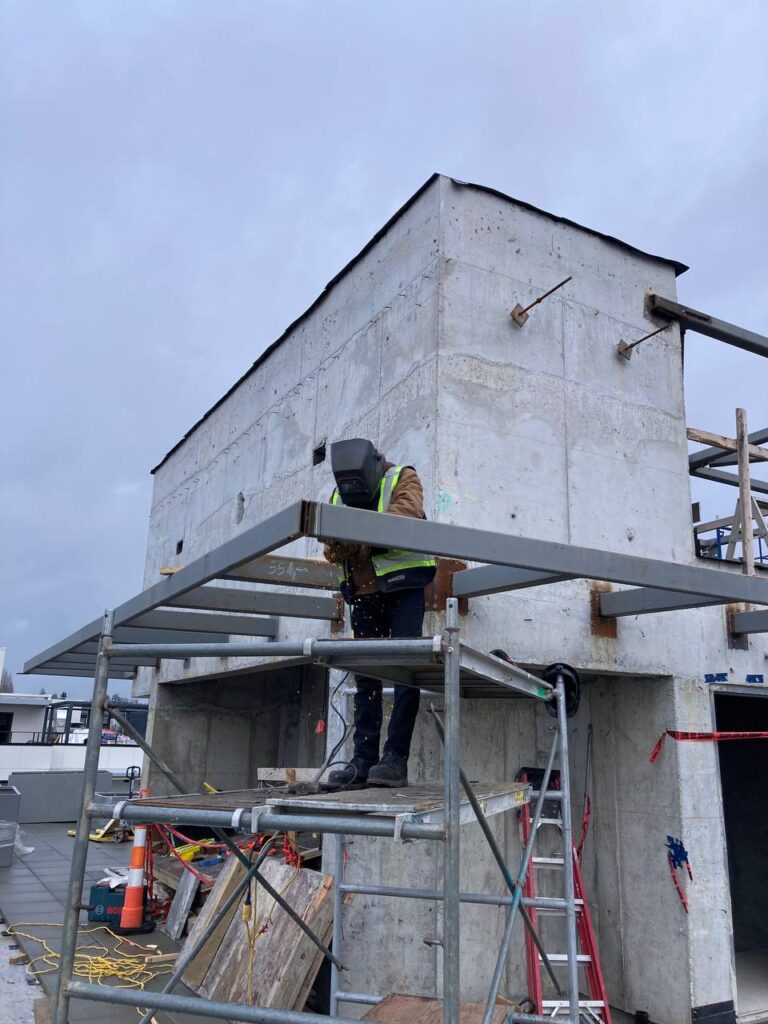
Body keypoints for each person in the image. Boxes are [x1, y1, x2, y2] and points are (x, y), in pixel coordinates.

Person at [323, 438, 436, 789]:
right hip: (364, 595)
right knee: (366, 678)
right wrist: (337, 546)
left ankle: (395, 759)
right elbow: (330, 541)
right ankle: (363, 760)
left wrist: (357, 539)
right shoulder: (339, 494)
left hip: (404, 588)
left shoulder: (403, 478)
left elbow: (407, 515)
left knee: (405, 673)